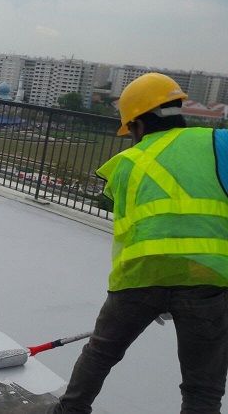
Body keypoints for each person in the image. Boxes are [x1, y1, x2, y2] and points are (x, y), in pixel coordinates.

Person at [51, 73, 228, 413]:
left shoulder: (122, 167)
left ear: (137, 125)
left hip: (137, 278)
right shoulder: (217, 143)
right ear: (177, 109)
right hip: (204, 279)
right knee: (202, 389)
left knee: (99, 355)